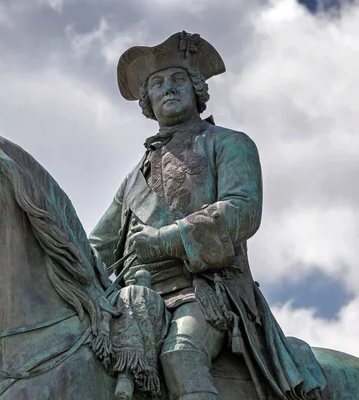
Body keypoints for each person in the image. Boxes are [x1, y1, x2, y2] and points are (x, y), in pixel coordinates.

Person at [89, 31, 326, 400]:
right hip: (137, 301)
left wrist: (165, 239)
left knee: (180, 353)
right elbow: (97, 247)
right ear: (148, 100)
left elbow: (242, 210)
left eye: (178, 79)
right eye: (158, 84)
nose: (168, 88)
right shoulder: (133, 180)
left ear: (196, 89)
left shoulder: (230, 144)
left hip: (207, 291)